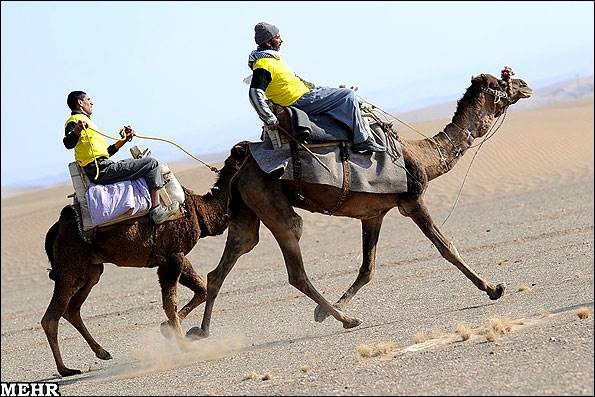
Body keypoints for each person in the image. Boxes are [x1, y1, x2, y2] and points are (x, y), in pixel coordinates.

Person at [248, 22, 385, 153]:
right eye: (277, 37)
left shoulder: (271, 59)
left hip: (304, 95)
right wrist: (268, 117)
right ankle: (362, 140)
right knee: (347, 95)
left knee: (331, 90)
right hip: (300, 101)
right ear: (268, 42)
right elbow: (255, 92)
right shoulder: (263, 64)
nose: (281, 40)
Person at [63, 91, 179, 225]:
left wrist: (124, 139)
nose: (92, 103)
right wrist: (77, 130)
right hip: (100, 170)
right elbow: (68, 143)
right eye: (89, 99)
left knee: (138, 162)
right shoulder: (74, 122)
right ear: (80, 103)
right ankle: (157, 210)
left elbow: (107, 152)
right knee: (152, 163)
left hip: (103, 165)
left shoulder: (88, 123)